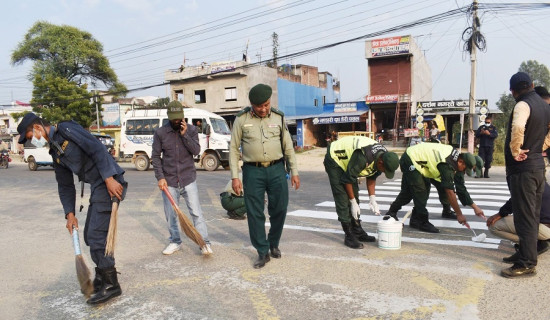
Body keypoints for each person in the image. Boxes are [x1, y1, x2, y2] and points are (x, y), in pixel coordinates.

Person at [17, 113, 127, 305]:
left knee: (96, 236)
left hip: (109, 182)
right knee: (88, 237)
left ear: (37, 128)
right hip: (98, 184)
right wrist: (70, 214)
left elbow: (96, 149)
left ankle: (112, 284)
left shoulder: (67, 130)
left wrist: (109, 178)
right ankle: (102, 276)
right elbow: (65, 185)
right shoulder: (55, 151)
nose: (32, 141)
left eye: (29, 136)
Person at [229, 83, 300, 269]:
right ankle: (262, 251)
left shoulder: (278, 117)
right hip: (253, 171)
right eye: (259, 106)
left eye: (266, 104)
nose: (263, 109)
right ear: (252, 104)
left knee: (280, 209)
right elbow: (233, 149)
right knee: (254, 212)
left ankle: (273, 243)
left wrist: (294, 171)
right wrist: (235, 177)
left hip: (277, 169)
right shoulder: (241, 119)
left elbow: (288, 146)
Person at [501, 72, 550, 278]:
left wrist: (516, 150)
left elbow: (518, 126)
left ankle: (527, 262)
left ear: (513, 91)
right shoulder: (545, 106)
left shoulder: (522, 105)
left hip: (524, 171)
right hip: (538, 167)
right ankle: (524, 253)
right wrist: (541, 147)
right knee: (529, 214)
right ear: (531, 84)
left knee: (525, 218)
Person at [152, 101, 212, 256]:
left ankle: (204, 242)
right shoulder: (160, 133)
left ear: (183, 116)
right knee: (171, 215)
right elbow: (156, 157)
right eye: (174, 119)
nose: (177, 121)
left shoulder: (191, 130)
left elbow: (196, 151)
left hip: (188, 179)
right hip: (169, 181)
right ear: (169, 117)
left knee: (196, 213)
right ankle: (175, 241)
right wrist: (160, 177)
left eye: (179, 118)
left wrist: (185, 135)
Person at [385, 143, 485, 233]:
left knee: (415, 191)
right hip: (411, 158)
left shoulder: (457, 162)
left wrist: (475, 207)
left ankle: (410, 217)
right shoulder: (447, 165)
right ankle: (422, 221)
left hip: (422, 164)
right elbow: (450, 192)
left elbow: (461, 189)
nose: (464, 172)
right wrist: (459, 214)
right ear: (461, 162)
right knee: (420, 191)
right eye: (465, 169)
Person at [323, 136, 399, 248]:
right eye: (385, 170)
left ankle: (357, 231)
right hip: (335, 159)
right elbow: (348, 179)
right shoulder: (364, 157)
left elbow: (372, 176)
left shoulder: (384, 156)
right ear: (381, 162)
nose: (384, 172)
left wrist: (372, 199)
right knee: (343, 198)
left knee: (354, 194)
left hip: (350, 161)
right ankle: (349, 235)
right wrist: (352, 202)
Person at [487, 183, 550, 262]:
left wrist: (501, 213)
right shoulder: (539, 178)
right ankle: (537, 242)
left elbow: (516, 199)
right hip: (546, 226)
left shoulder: (525, 178)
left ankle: (532, 246)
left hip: (545, 228)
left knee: (494, 226)